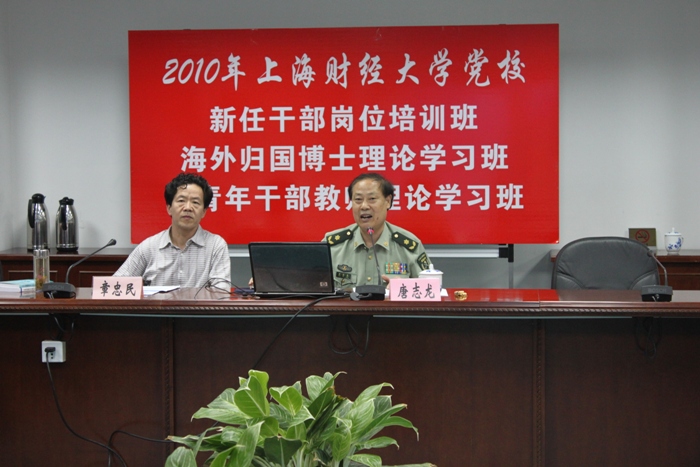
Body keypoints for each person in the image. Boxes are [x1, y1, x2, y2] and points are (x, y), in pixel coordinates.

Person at [114, 172, 231, 287]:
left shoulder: (215, 246)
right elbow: (115, 286)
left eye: (195, 202)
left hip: (199, 302)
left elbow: (221, 291)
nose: (188, 208)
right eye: (181, 201)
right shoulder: (149, 247)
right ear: (169, 208)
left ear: (204, 212)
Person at [322, 173, 430, 290]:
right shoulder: (331, 246)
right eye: (358, 200)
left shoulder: (409, 247)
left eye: (372, 199)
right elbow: (312, 287)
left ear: (388, 201)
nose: (364, 206)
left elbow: (431, 289)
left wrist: (405, 287)